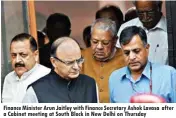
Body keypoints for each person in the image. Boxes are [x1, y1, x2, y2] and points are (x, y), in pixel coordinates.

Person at [109, 26, 176, 103]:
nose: (131, 57)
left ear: (147, 48)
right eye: (126, 53)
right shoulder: (115, 78)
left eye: (136, 51)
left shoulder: (169, 75)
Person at [23, 37, 98, 103]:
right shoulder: (36, 91)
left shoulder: (90, 84)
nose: (76, 67)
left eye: (79, 61)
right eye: (69, 62)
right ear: (54, 62)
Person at [82, 18, 126, 103]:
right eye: (95, 42)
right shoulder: (80, 57)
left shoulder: (127, 59)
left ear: (115, 40)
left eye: (105, 42)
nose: (99, 47)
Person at [2, 33, 51, 103]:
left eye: (23, 55)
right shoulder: (9, 78)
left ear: (35, 55)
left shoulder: (47, 76)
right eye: (14, 55)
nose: (17, 60)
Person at [116, 1, 168, 65]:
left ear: (159, 7)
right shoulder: (125, 27)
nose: (145, 17)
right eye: (140, 13)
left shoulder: (171, 29)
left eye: (150, 12)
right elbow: (119, 57)